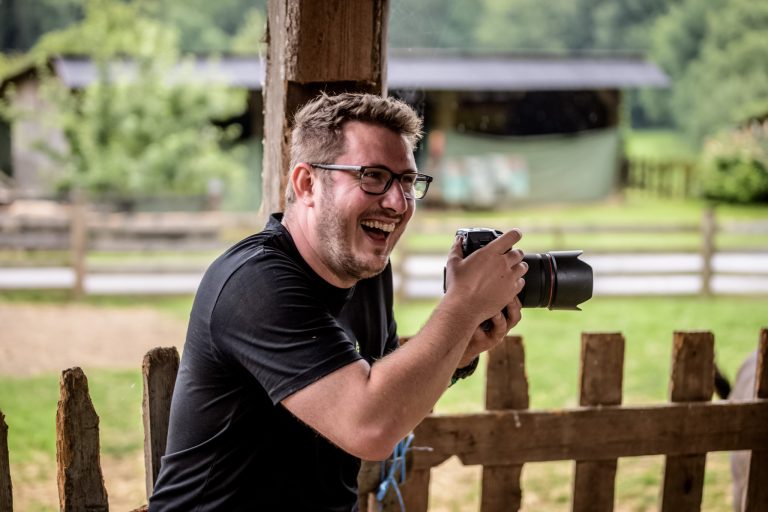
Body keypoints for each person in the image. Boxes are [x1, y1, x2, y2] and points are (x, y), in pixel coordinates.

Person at [149, 92, 527, 511]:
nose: (397, 202)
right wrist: (462, 305)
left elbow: (391, 397)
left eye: (406, 181)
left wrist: (460, 349)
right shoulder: (254, 283)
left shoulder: (367, 271)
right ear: (307, 184)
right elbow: (370, 426)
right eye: (373, 176)